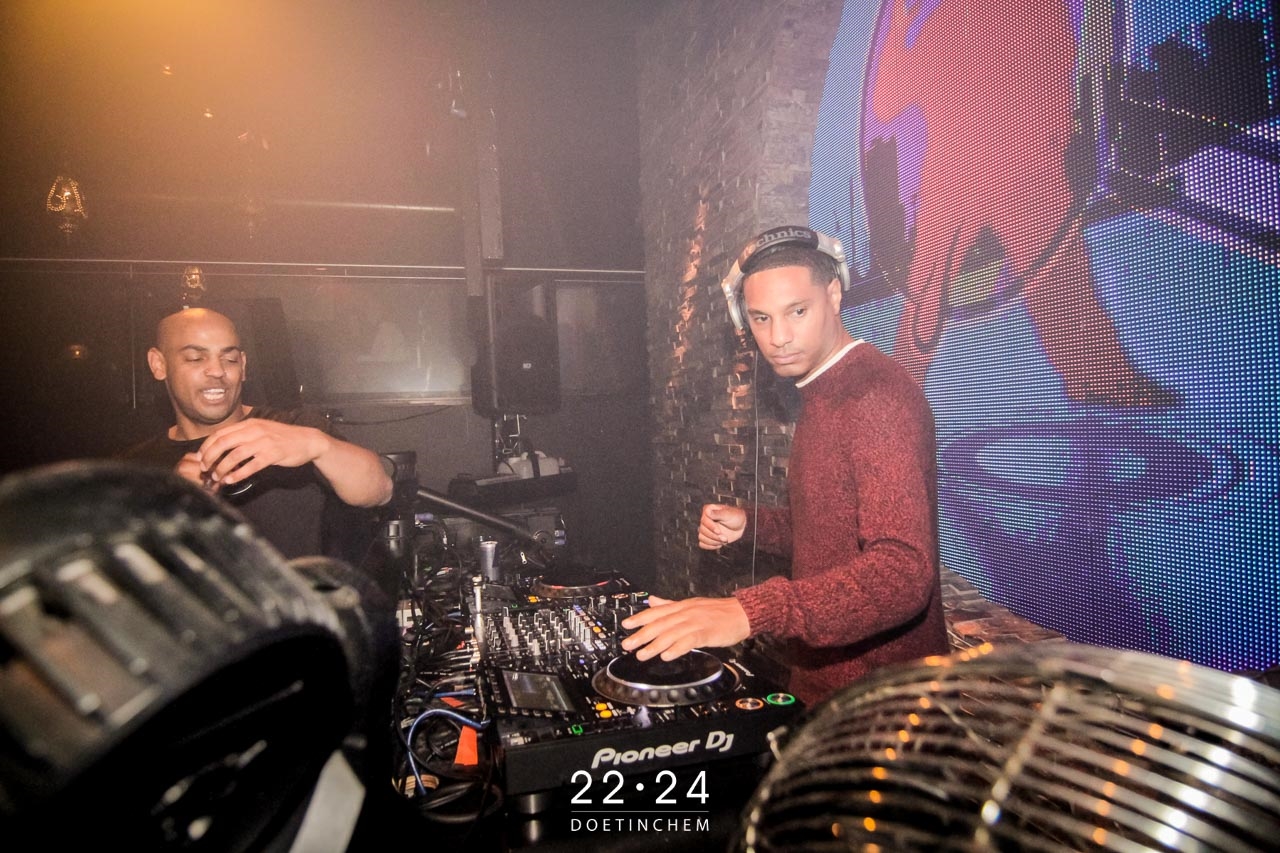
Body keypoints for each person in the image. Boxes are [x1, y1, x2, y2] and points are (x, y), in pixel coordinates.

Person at [621, 227, 950, 705]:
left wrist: (751, 611)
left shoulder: (874, 398)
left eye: (797, 311)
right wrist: (752, 526)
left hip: (883, 707)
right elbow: (832, 532)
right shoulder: (825, 393)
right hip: (835, 691)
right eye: (761, 318)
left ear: (833, 295)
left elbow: (903, 573)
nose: (778, 337)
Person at [121, 307, 393, 560]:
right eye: (196, 358)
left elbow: (380, 489)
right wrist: (173, 509)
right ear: (158, 364)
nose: (217, 371)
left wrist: (317, 445)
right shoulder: (136, 467)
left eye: (229, 359)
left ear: (243, 365)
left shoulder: (293, 428)